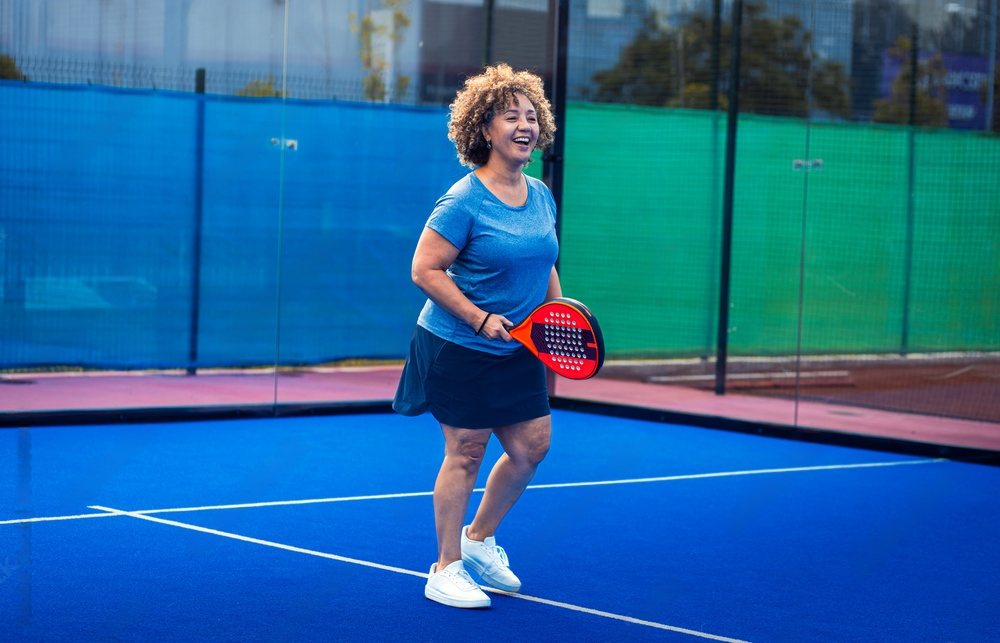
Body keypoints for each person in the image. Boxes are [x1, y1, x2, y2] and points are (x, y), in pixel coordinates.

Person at [393, 63, 561, 609]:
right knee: (466, 449)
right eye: (510, 115)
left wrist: (558, 319)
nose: (524, 125)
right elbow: (424, 269)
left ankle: (480, 538)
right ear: (484, 130)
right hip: (457, 344)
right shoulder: (464, 199)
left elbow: (544, 263)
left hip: (519, 345)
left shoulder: (540, 195)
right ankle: (445, 567)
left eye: (531, 116)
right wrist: (477, 317)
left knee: (532, 447)